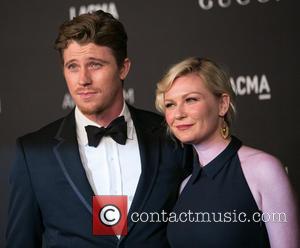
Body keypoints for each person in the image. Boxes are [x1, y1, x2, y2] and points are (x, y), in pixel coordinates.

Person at [6, 10, 192, 248]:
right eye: (72, 66)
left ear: (123, 68)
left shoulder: (172, 136)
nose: (83, 79)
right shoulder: (34, 152)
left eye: (95, 64)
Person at [155, 57, 299, 248]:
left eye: (191, 100)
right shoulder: (185, 185)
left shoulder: (264, 169)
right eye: (170, 104)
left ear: (222, 104)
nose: (178, 114)